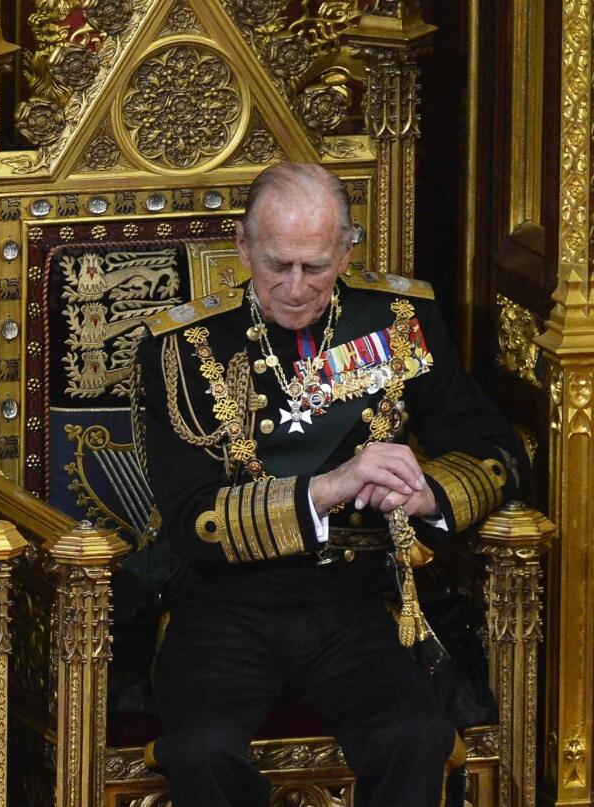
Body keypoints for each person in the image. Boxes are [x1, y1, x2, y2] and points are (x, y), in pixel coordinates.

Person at [133, 162, 524, 806]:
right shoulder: (180, 348)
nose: (293, 287)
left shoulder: (399, 321)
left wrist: (429, 493)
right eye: (276, 264)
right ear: (242, 246)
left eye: (315, 267)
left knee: (415, 735)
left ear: (346, 250)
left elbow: (498, 450)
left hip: (358, 598)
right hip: (222, 604)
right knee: (202, 751)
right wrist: (333, 485)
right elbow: (192, 521)